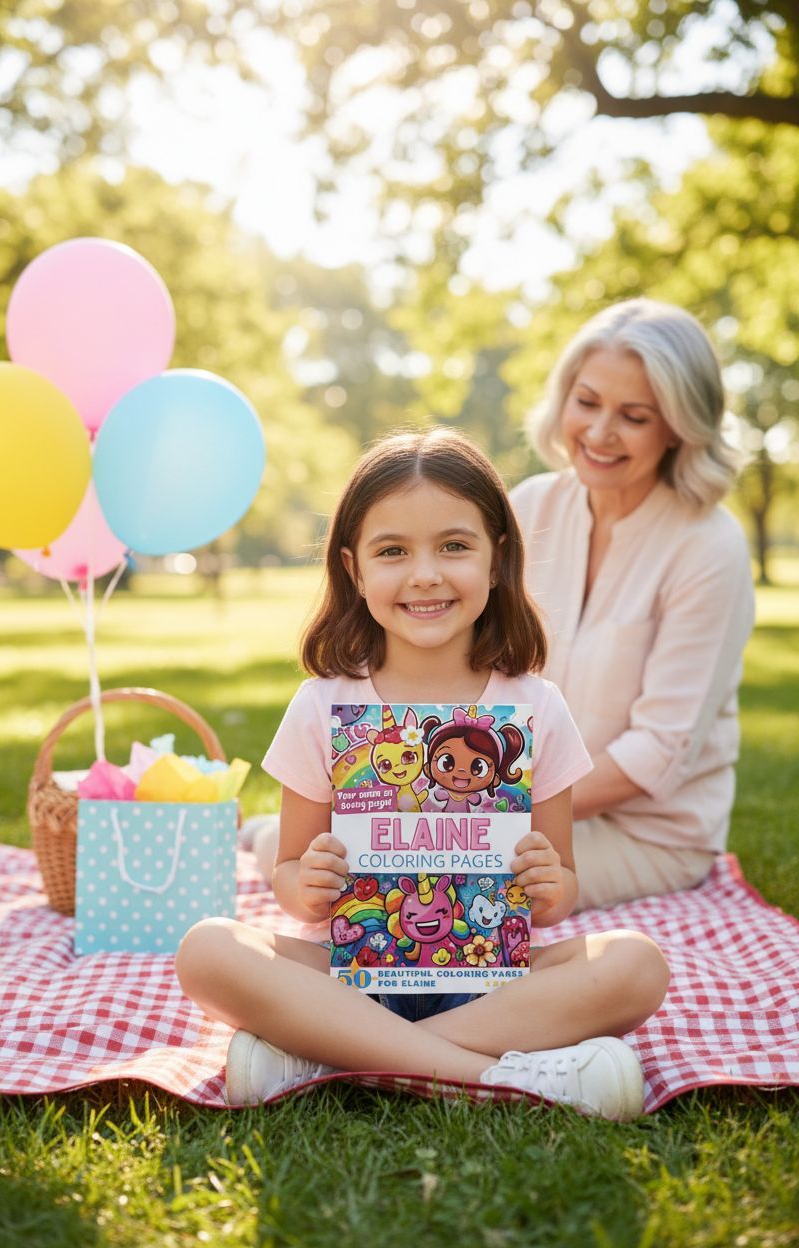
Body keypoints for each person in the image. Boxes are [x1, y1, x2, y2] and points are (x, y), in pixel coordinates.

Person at [176, 429, 669, 1120]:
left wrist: (549, 883)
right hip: (353, 976)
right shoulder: (324, 705)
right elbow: (289, 875)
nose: (425, 574)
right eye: (393, 551)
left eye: (455, 546)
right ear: (354, 569)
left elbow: (557, 890)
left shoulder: (536, 707)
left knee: (637, 964)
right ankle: (513, 1078)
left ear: (498, 558)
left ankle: (325, 1059)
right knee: (208, 949)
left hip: (496, 984)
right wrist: (306, 883)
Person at [510, 299, 755, 911]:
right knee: (362, 851)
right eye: (587, 402)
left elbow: (658, 750)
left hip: (648, 834)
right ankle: (255, 834)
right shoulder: (531, 506)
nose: (598, 433)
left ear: (678, 425)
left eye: (634, 416)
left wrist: (498, 808)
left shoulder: (709, 546)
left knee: (442, 889)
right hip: (512, 802)